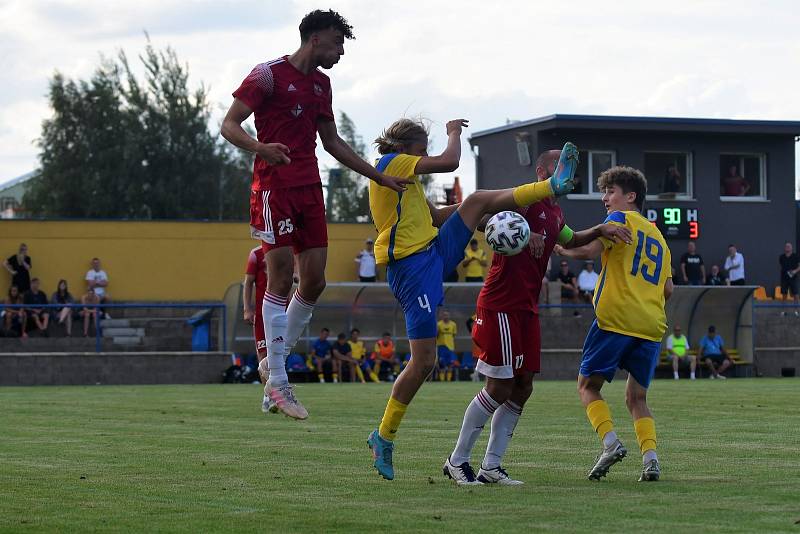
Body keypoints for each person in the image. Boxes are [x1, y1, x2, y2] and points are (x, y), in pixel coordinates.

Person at [365, 114, 578, 481]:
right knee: (424, 362)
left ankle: (488, 466)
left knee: (478, 199)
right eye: (420, 151)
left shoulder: (407, 180)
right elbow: (450, 162)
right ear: (403, 149)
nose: (424, 157)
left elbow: (436, 216)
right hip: (410, 266)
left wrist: (490, 219)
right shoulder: (390, 163)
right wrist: (452, 133)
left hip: (431, 253)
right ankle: (383, 436)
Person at [221, 10, 410, 420]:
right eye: (336, 42)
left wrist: (377, 176)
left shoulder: (322, 84)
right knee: (280, 274)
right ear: (314, 39)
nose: (340, 50)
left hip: (309, 188)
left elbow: (333, 142)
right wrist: (260, 148)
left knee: (315, 281)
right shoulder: (267, 75)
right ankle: (279, 382)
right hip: (272, 187)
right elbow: (229, 125)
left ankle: (274, 368)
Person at [444, 150, 632, 485]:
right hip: (500, 304)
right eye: (563, 165)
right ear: (543, 170)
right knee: (500, 386)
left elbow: (571, 239)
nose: (570, 173)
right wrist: (515, 229)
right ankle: (456, 461)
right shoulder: (524, 200)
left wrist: (602, 229)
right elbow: (483, 216)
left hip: (527, 309)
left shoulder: (555, 210)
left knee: (524, 385)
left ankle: (492, 467)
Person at [556, 165, 673, 482]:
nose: (605, 198)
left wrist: (556, 245)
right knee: (637, 398)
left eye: (611, 191)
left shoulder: (619, 220)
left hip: (616, 318)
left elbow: (585, 250)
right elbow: (668, 289)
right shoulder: (659, 237)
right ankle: (650, 459)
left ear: (630, 196)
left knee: (587, 386)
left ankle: (610, 444)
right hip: (650, 325)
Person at [243, 246, 275, 414]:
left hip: (282, 312)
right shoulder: (256, 254)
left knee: (278, 354)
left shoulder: (289, 250)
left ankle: (275, 393)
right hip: (262, 313)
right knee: (263, 354)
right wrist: (247, 309)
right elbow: (248, 282)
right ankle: (268, 396)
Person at [436, 310, 458, 381]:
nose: (446, 316)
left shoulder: (453, 324)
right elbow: (436, 335)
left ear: (449, 316)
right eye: (444, 315)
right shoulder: (438, 324)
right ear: (442, 316)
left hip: (450, 347)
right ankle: (442, 380)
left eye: (447, 315)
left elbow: (454, 335)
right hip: (441, 346)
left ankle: (448, 380)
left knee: (450, 363)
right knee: (442, 363)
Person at [778, 241, 799, 313]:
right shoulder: (781, 257)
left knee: (796, 294)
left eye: (789, 246)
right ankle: (783, 311)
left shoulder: (796, 256)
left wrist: (794, 271)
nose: (787, 247)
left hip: (793, 278)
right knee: (784, 294)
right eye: (786, 246)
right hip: (784, 278)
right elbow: (783, 266)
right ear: (784, 248)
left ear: (791, 248)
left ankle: (796, 310)